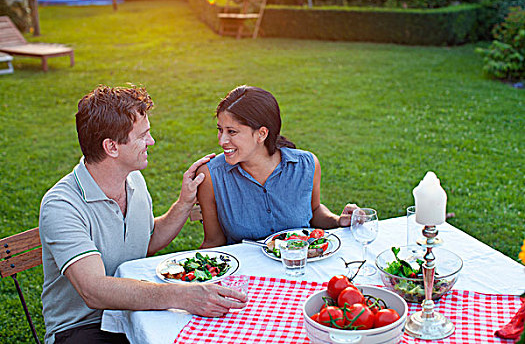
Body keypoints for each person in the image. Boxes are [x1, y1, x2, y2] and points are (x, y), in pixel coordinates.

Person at [39, 85, 247, 344]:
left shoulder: (133, 179)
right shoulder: (61, 205)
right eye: (143, 136)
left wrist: (184, 203)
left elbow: (147, 240)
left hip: (135, 311)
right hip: (84, 329)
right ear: (111, 147)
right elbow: (93, 290)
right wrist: (182, 295)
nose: (151, 141)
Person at [196, 85, 359, 248]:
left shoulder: (306, 165)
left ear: (262, 134)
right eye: (220, 130)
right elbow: (213, 241)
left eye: (232, 132)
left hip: (300, 264)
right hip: (247, 272)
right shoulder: (211, 175)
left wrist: (338, 220)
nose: (221, 141)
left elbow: (314, 211)